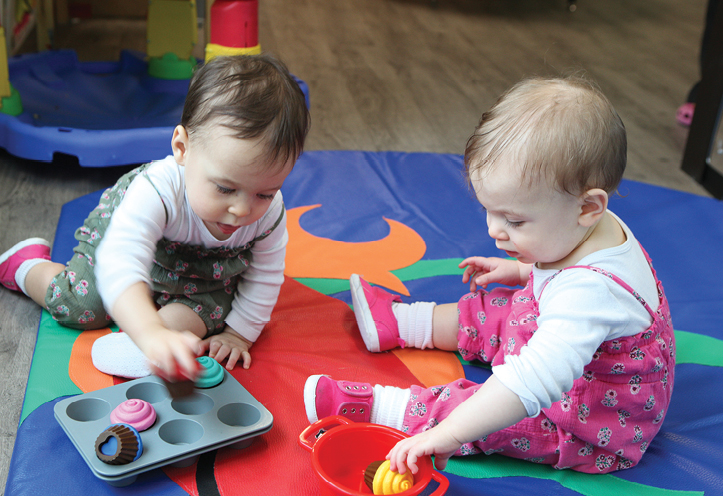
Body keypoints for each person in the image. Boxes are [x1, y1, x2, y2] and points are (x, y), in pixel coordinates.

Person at [304, 76, 675, 475]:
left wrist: (449, 434)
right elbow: (561, 273)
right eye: (490, 211)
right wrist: (520, 268)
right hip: (569, 353)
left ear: (588, 207)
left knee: (491, 414)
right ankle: (403, 323)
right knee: (496, 309)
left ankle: (386, 409)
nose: (494, 231)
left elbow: (528, 384)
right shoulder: (584, 225)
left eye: (514, 220)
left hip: (586, 422)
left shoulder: (590, 293)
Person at [0, 54, 310, 381]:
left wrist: (239, 334)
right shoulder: (157, 192)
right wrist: (148, 330)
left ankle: (148, 343)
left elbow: (265, 275)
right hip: (127, 241)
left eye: (265, 193)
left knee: (213, 314)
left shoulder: (268, 213)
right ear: (182, 148)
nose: (242, 210)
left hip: (203, 270)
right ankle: (25, 265)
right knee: (82, 306)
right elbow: (120, 262)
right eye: (224, 188)